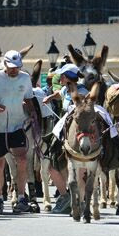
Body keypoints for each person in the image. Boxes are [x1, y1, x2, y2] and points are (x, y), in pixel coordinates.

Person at [0, 50, 37, 214]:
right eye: (11, 67)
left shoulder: (25, 78)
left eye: (17, 67)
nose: (14, 70)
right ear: (4, 64)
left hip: (17, 126)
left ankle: (20, 197)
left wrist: (33, 114)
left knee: (23, 160)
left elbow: (28, 98)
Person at [43, 63, 88, 214]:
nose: (59, 78)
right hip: (63, 133)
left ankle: (79, 202)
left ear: (68, 78)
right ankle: (65, 197)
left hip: (78, 134)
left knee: (79, 172)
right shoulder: (64, 89)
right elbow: (59, 94)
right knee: (51, 165)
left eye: (61, 76)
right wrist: (49, 97)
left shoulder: (82, 92)